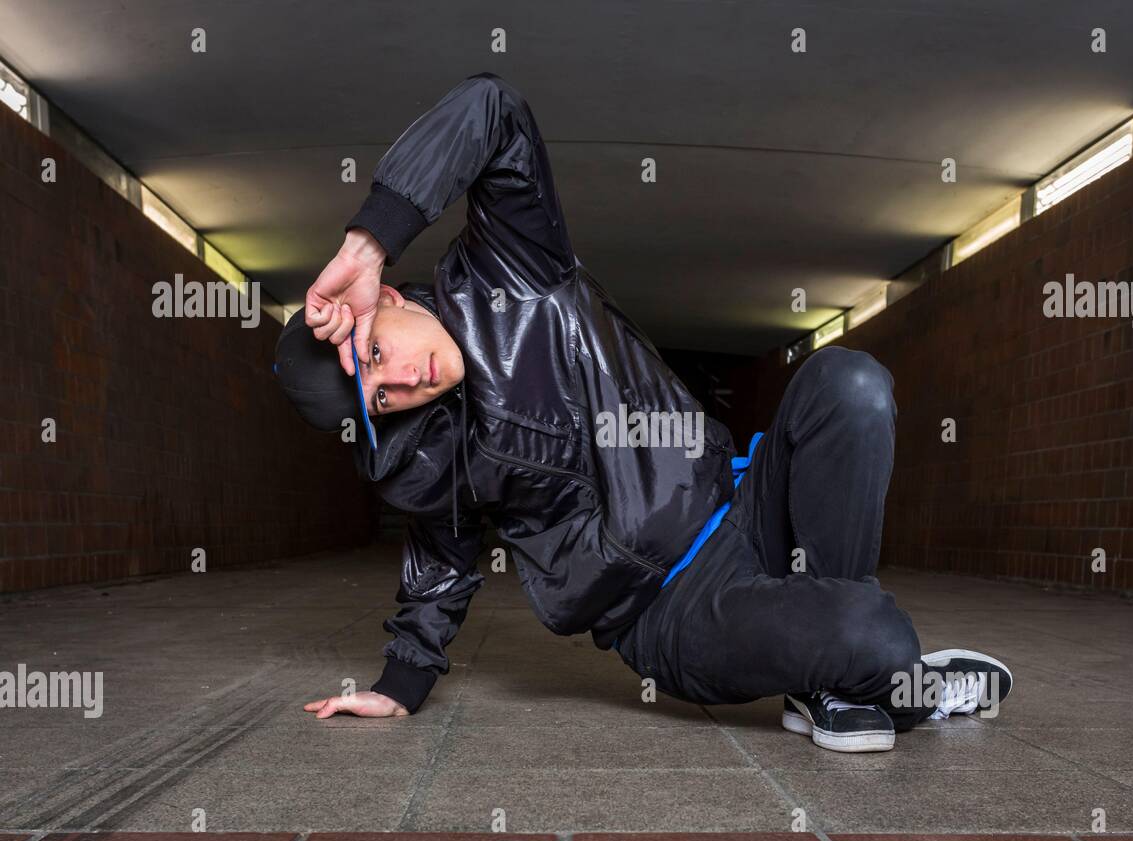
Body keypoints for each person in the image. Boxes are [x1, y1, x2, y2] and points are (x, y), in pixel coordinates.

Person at [275, 72, 1012, 752]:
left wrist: (371, 239)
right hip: (677, 612)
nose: (402, 381)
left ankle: (828, 678)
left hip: (744, 500)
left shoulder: (514, 274)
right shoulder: (433, 458)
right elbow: (439, 568)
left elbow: (491, 109)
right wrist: (398, 685)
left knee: (848, 382)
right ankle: (870, 671)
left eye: (376, 357)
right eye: (380, 403)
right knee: (877, 635)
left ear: (391, 301)